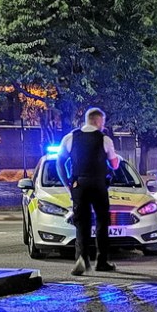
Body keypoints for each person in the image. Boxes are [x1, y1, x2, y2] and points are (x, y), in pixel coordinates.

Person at [56, 107, 120, 276]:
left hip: (79, 185)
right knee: (101, 222)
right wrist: (113, 160)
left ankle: (81, 259)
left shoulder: (70, 138)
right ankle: (102, 261)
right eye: (103, 123)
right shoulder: (104, 139)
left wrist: (69, 184)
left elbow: (59, 163)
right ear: (98, 121)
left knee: (81, 223)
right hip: (99, 184)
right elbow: (114, 165)